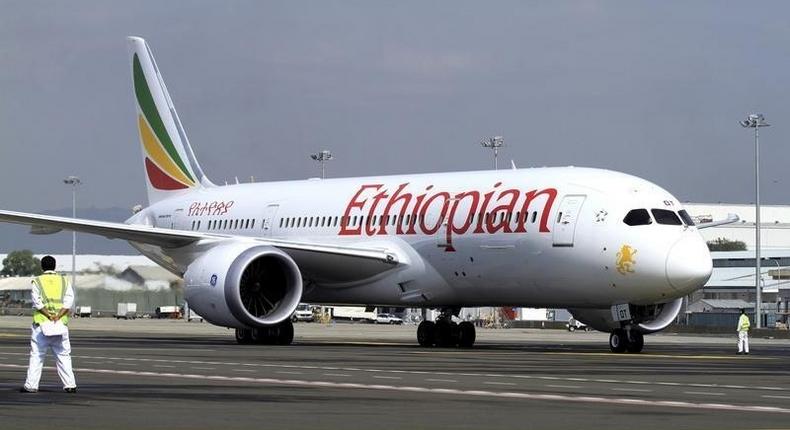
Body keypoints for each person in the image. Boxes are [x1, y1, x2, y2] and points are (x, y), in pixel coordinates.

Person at [21, 255, 77, 393]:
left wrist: (48, 315)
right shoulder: (64, 281)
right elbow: (69, 302)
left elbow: (37, 302)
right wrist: (58, 315)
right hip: (60, 324)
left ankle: (31, 385)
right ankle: (70, 385)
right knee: (63, 355)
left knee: (37, 355)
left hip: (42, 324)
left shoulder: (37, 281)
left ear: (42, 266)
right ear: (55, 266)